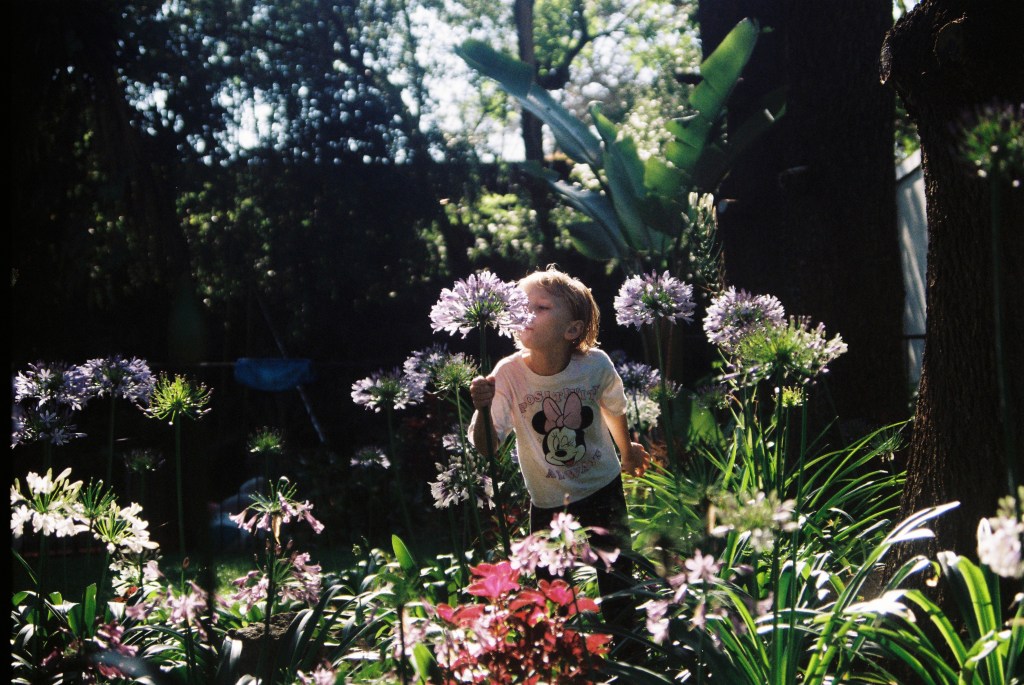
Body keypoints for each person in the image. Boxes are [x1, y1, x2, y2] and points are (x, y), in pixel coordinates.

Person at [468, 265, 650, 634]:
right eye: (521, 305)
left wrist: (628, 451)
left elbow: (613, 408)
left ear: (571, 330)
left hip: (602, 486)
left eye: (541, 307)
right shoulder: (507, 374)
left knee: (617, 578)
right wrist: (482, 408)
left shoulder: (595, 365)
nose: (525, 313)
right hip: (548, 500)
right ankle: (567, 657)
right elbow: (486, 447)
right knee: (553, 592)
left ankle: (629, 648)